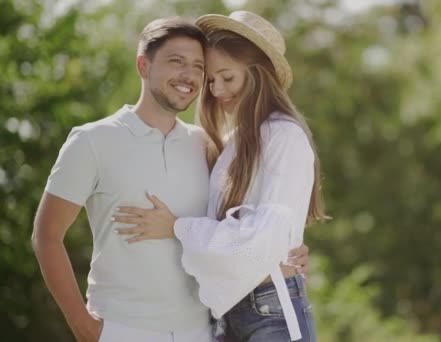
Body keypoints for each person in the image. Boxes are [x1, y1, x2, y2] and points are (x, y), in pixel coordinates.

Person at [32, 16, 309, 342]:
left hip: (202, 332)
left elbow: (250, 218)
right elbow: (46, 236)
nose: (189, 75)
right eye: (176, 62)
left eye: (197, 67)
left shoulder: (207, 146)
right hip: (122, 329)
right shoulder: (92, 141)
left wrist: (287, 252)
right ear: (143, 65)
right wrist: (84, 327)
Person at [112, 10, 325, 342]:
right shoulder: (231, 144)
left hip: (272, 311)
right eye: (211, 80)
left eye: (227, 77)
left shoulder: (284, 137)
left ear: (258, 76)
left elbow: (263, 237)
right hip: (227, 313)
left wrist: (176, 227)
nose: (217, 89)